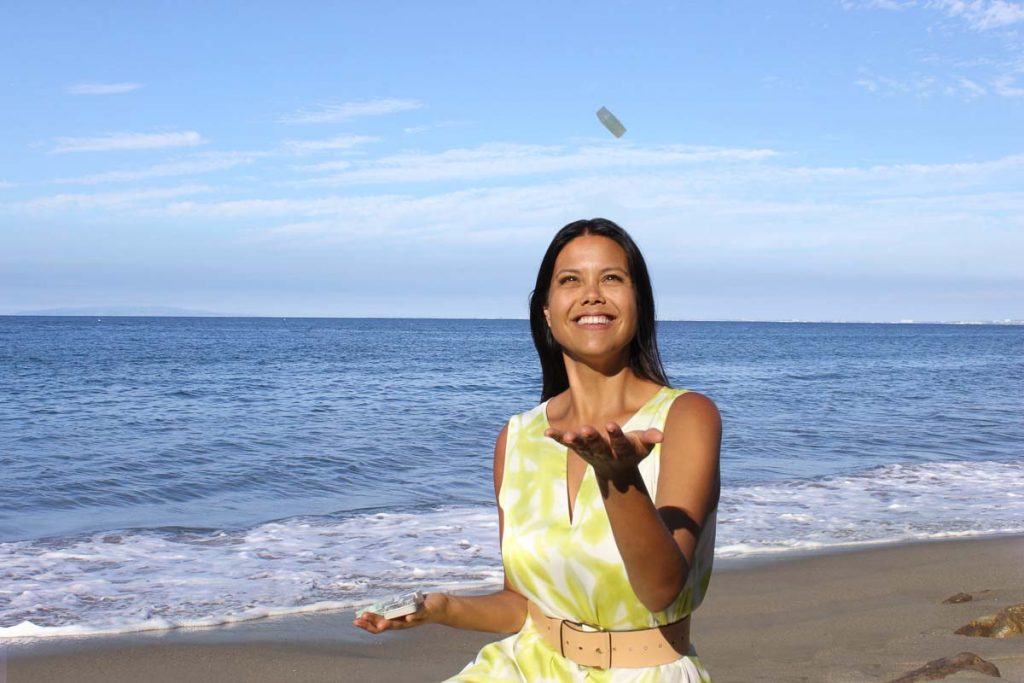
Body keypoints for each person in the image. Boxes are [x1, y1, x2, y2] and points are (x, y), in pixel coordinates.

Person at [354, 218, 721, 682]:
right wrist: (443, 608)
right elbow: (521, 604)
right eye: (570, 280)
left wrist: (619, 478)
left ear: (639, 303)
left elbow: (663, 590)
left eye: (612, 278)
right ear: (547, 310)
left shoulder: (686, 417)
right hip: (526, 667)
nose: (592, 294)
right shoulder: (518, 436)